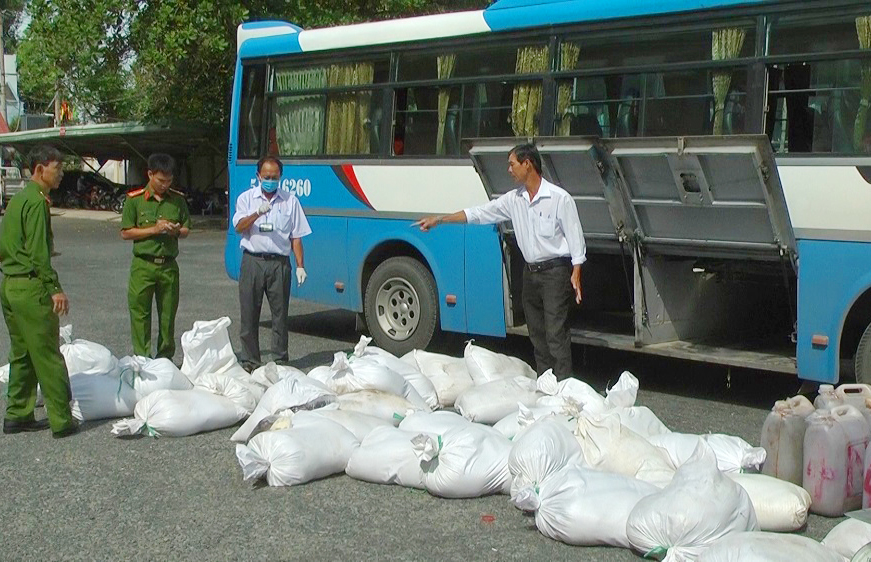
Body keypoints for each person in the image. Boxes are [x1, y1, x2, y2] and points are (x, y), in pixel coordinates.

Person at [415, 143, 586, 380]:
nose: (509, 170)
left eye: (512, 164)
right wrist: (441, 219)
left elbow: (574, 235)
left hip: (554, 273)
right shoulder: (513, 200)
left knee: (556, 333)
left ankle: (565, 385)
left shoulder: (559, 198)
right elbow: (479, 213)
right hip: (530, 273)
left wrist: (576, 271)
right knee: (536, 334)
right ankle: (547, 384)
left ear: (528, 164)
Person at [0, 145, 78, 437]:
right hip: (31, 286)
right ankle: (61, 420)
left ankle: (17, 413)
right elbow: (38, 252)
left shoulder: (18, 199)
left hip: (10, 284)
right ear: (39, 169)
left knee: (22, 353)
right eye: (57, 169)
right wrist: (54, 288)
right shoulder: (36, 202)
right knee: (47, 352)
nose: (61, 175)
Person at [232, 155, 311, 369]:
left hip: (279, 264)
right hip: (253, 261)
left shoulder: (290, 201)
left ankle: (280, 359)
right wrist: (257, 213)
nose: (270, 180)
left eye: (274, 177)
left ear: (280, 177)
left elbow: (296, 236)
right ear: (258, 176)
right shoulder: (246, 199)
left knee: (280, 315)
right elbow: (239, 227)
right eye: (266, 176)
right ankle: (250, 360)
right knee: (249, 314)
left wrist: (300, 265)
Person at [120, 153, 191, 359]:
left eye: (169, 181)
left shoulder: (177, 200)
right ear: (150, 174)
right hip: (143, 265)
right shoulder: (134, 200)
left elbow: (186, 229)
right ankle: (142, 358)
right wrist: (154, 229)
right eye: (161, 180)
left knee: (168, 316)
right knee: (140, 314)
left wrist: (175, 231)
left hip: (168, 266)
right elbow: (126, 232)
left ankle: (165, 359)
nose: (164, 185)